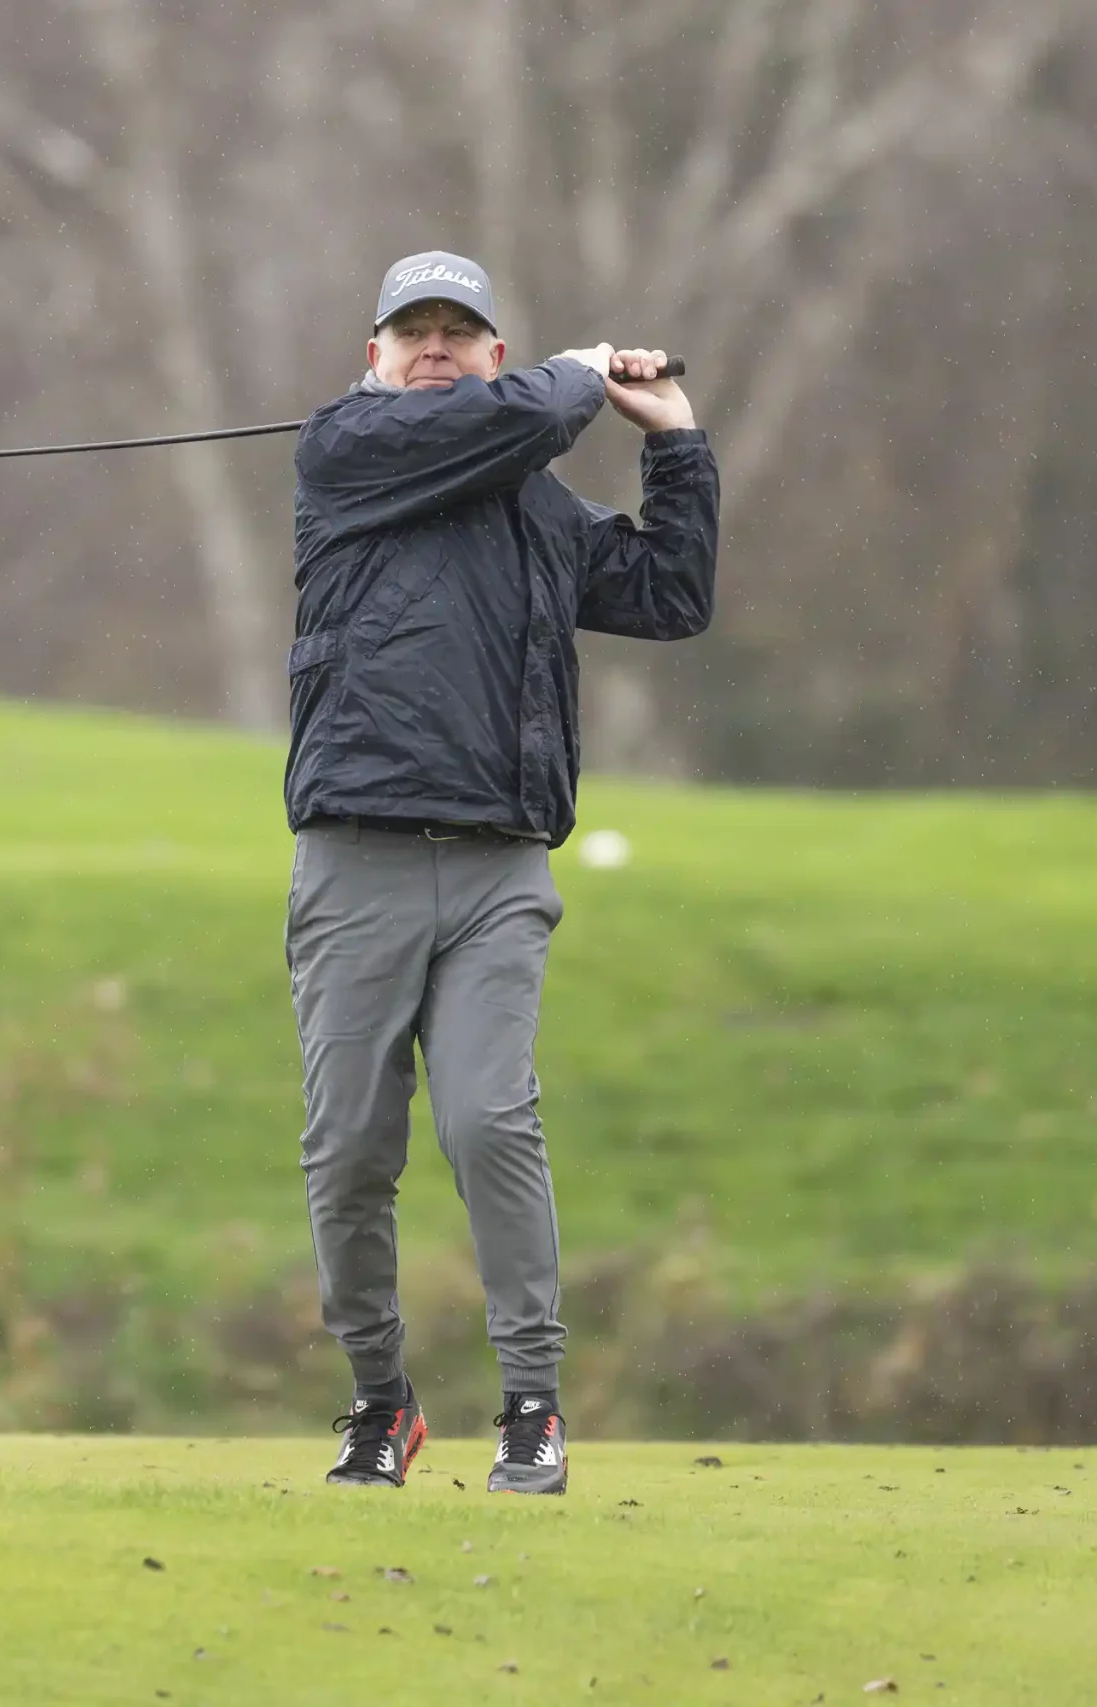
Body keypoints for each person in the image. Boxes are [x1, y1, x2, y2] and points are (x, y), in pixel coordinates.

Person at [286, 250, 719, 1493]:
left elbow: (669, 593)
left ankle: (532, 1404)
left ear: (491, 352)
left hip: (495, 870)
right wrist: (574, 379)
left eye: (457, 331)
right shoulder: (342, 453)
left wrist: (675, 443)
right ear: (372, 358)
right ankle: (380, 1402)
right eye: (410, 331)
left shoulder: (536, 505)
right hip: (355, 860)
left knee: (487, 1122)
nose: (433, 347)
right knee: (349, 1151)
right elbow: (498, 425)